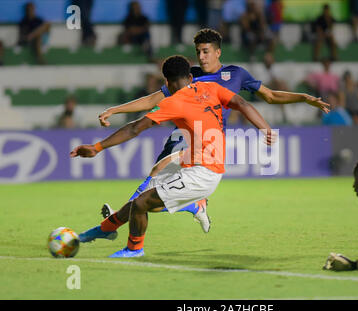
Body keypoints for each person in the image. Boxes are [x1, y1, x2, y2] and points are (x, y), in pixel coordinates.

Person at [97, 28, 330, 230]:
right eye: (198, 51)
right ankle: (141, 215)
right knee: (155, 178)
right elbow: (151, 100)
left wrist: (302, 97)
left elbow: (269, 96)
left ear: (218, 52)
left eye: (206, 51)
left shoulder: (236, 74)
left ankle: (117, 221)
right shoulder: (190, 76)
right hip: (184, 134)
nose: (201, 56)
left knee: (156, 183)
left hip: (209, 143)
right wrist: (114, 110)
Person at [70, 55, 275, 258]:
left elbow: (135, 128)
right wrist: (265, 128)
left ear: (166, 82)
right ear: (190, 76)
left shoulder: (174, 102)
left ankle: (134, 250)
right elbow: (242, 103)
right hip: (194, 159)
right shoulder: (211, 88)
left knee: (142, 203)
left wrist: (97, 147)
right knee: (141, 198)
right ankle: (105, 229)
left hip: (203, 173)